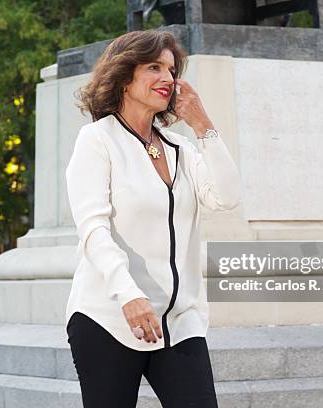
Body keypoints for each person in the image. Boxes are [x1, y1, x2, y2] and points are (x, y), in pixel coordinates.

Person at [64, 29, 241, 408]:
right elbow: (92, 230)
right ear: (125, 77)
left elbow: (227, 197)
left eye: (172, 70)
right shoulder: (97, 140)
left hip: (179, 323)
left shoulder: (181, 148)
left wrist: (202, 124)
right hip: (109, 317)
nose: (167, 78)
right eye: (153, 67)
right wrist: (129, 295)